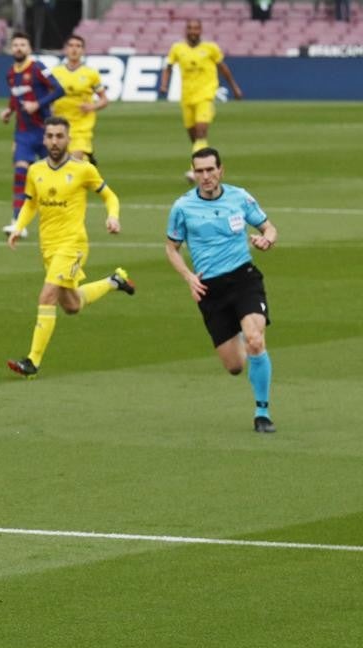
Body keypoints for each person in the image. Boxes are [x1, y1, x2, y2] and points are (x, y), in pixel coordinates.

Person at [5, 117, 133, 378]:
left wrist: (113, 216)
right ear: (44, 139)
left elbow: (109, 195)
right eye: (50, 136)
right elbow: (31, 203)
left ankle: (32, 361)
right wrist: (18, 226)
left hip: (73, 244)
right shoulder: (35, 171)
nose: (54, 141)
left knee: (47, 296)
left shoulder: (83, 169)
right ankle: (114, 281)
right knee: (71, 305)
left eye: (59, 136)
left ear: (68, 138)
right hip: (48, 246)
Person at [164, 148, 278, 433]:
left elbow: (269, 228)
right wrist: (189, 277)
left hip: (244, 279)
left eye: (210, 170)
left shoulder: (240, 197)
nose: (205, 176)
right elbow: (171, 248)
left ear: (220, 170)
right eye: (199, 171)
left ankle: (262, 412)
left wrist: (267, 240)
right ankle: (240, 331)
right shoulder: (182, 207)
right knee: (235, 366)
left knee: (255, 339)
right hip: (210, 289)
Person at [158, 20, 243, 180]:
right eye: (190, 28)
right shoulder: (177, 48)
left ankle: (194, 170)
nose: (193, 31)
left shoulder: (210, 48)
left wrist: (235, 87)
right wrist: (164, 85)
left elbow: (223, 67)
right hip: (187, 98)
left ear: (201, 30)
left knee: (201, 133)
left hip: (205, 96)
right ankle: (209, 165)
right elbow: (168, 66)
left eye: (196, 28)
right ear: (186, 30)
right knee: (195, 138)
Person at [0, 31, 64, 238]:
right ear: (12, 48)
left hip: (46, 132)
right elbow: (15, 97)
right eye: (15, 45)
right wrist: (9, 111)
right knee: (21, 174)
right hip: (24, 133)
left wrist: (38, 104)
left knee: (52, 178)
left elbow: (59, 89)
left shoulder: (38, 68)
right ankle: (18, 222)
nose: (18, 48)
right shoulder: (11, 73)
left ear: (29, 48)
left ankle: (58, 222)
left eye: (22, 45)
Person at [50, 34, 109, 164]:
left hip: (81, 127)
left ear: (83, 51)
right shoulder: (55, 72)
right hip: (59, 125)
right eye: (71, 46)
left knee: (76, 160)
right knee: (59, 164)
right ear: (65, 50)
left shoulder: (91, 74)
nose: (74, 49)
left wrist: (92, 106)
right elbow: (47, 97)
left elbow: (104, 100)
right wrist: (50, 107)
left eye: (78, 46)